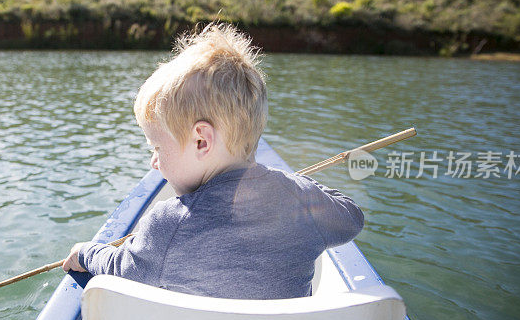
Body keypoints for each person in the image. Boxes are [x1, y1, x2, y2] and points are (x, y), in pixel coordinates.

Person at [62, 23, 363, 299]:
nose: (154, 162)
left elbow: (120, 266)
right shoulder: (300, 200)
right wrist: (294, 185)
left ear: (201, 141)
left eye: (156, 147)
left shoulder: (168, 225)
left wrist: (85, 252)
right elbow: (351, 217)